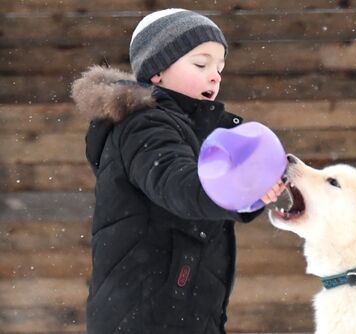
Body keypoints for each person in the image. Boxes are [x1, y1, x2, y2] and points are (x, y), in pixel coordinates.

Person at [71, 8, 285, 334]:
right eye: (201, 64)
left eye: (220, 67)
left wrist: (252, 185)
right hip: (145, 319)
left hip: (182, 316)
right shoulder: (144, 124)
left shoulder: (195, 134)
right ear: (157, 73)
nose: (215, 75)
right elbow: (176, 185)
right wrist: (236, 187)